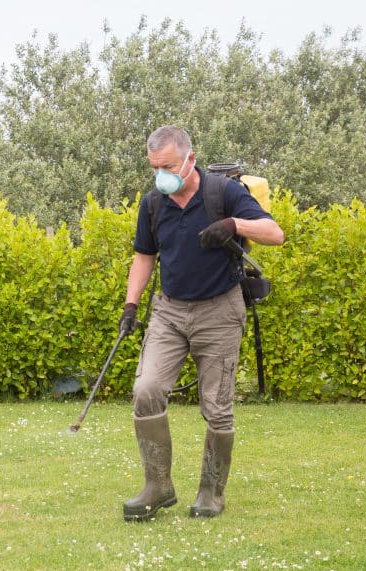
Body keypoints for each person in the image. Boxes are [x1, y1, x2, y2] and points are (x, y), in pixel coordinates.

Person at [118, 126, 284, 521]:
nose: (162, 175)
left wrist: (235, 225)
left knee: (217, 409)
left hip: (219, 312)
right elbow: (144, 257)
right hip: (170, 312)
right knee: (146, 389)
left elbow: (275, 234)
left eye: (169, 166)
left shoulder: (223, 193)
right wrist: (130, 305)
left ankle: (211, 492)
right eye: (155, 167)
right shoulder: (153, 204)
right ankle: (157, 487)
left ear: (191, 159)